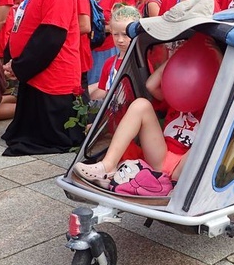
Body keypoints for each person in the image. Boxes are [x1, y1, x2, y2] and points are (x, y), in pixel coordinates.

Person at [73, 30, 222, 187]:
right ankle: (107, 166)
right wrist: (177, 57)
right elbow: (151, 85)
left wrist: (218, 57)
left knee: (215, 130)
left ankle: (182, 189)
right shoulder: (175, 97)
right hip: (160, 156)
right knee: (141, 105)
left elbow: (227, 92)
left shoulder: (213, 103)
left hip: (186, 165)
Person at [1, 0, 83, 156]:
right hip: (36, 73)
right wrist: (12, 58)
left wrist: (20, 66)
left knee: (52, 136)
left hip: (52, 75)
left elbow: (50, 37)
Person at [89, 5, 141, 100]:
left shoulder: (140, 62)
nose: (120, 40)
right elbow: (103, 89)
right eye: (116, 34)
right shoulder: (109, 63)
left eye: (125, 34)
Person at [88, 0, 122, 85]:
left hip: (107, 46)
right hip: (93, 45)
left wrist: (101, 28)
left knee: (104, 81)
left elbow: (119, 23)